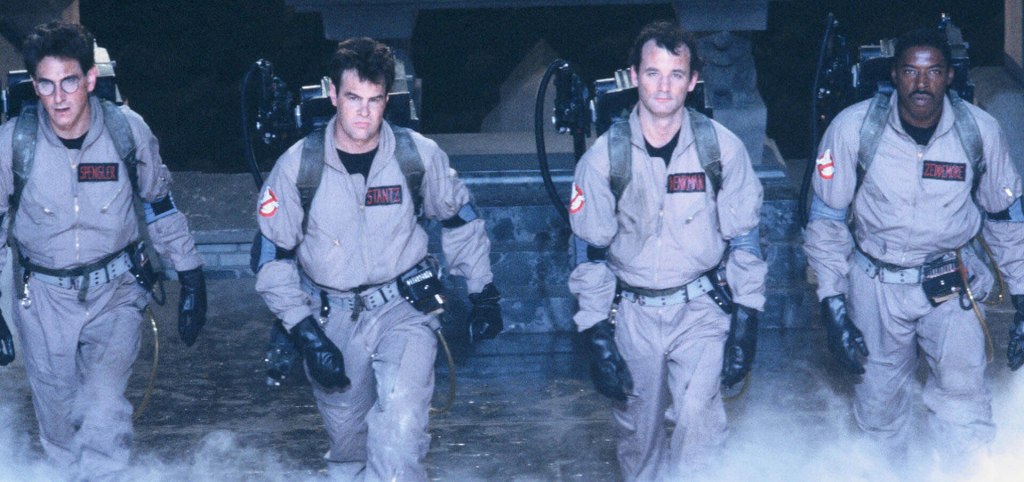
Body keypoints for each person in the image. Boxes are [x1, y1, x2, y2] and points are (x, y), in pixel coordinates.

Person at [253, 37, 503, 481]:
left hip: (403, 311)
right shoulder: (297, 168)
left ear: (388, 99)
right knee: (349, 448)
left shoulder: (417, 156)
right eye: (353, 98)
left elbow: (459, 220)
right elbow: (272, 257)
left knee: (400, 430)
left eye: (375, 100)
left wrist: (483, 293)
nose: (364, 113)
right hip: (330, 319)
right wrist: (305, 333)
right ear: (333, 94)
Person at [804, 28, 1024, 466]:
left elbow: (1006, 222)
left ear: (949, 76)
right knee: (878, 409)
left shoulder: (979, 132)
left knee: (963, 404)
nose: (921, 83)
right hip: (877, 286)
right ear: (894, 75)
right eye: (910, 71)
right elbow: (826, 222)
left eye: (933, 71)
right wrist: (832, 301)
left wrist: (1022, 296)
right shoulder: (854, 129)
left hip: (953, 285)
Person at [0, 21, 208, 478]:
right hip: (44, 302)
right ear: (34, 85)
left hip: (116, 293)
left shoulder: (127, 131)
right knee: (59, 426)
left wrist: (191, 274)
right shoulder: (14, 143)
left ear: (90, 79)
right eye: (47, 85)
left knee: (102, 410)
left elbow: (159, 203)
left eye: (69, 82)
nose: (59, 98)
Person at [568, 20, 765, 480]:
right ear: (634, 76)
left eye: (676, 74)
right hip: (632, 313)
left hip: (700, 310)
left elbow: (746, 241)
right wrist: (595, 331)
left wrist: (747, 319)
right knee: (638, 437)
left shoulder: (722, 150)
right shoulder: (604, 159)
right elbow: (589, 253)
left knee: (699, 422)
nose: (663, 86)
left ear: (693, 81)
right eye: (653, 73)